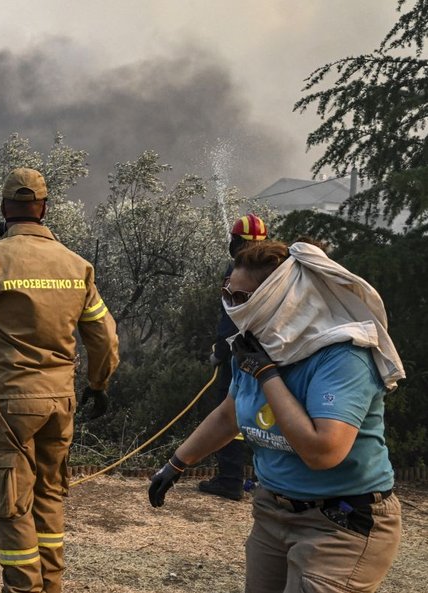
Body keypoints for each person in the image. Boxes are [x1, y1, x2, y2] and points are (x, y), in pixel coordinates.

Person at [149, 239, 405, 593]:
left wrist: (267, 375)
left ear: (280, 296)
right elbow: (229, 414)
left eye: (243, 298)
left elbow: (323, 451)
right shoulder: (258, 342)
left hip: (341, 521)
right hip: (273, 511)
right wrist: (176, 464)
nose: (233, 307)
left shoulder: (342, 356)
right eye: (228, 295)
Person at [0, 168, 119, 593]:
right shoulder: (77, 265)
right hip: (60, 402)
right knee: (50, 498)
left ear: (3, 209)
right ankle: (50, 585)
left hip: (12, 402)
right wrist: (99, 384)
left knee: (13, 505)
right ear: (45, 208)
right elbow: (104, 338)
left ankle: (21, 589)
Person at [199, 213, 268, 501]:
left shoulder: (237, 271)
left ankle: (229, 479)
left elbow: (229, 320)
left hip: (238, 355)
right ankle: (265, 479)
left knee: (228, 414)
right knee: (266, 415)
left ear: (237, 241)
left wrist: (219, 351)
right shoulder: (278, 269)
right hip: (273, 357)